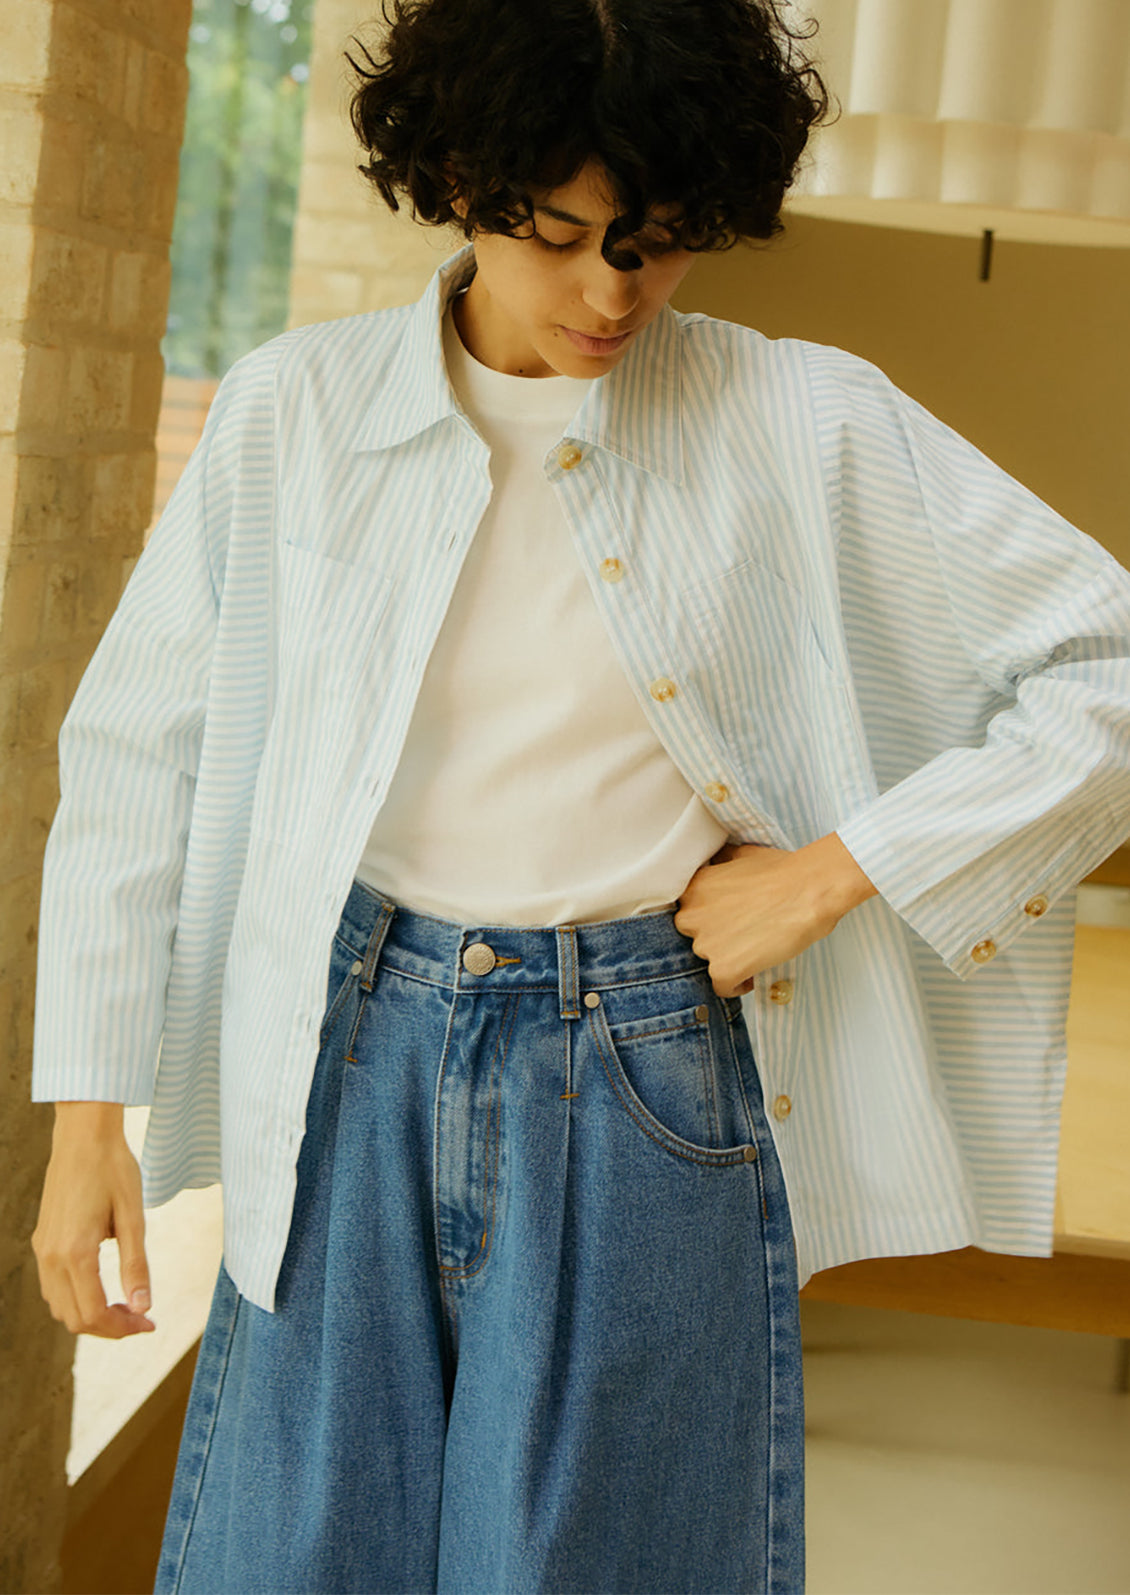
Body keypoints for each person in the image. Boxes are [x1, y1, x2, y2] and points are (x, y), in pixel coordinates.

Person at [29, 0, 1130, 1591]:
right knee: (295, 1555)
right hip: (339, 1052)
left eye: (663, 243)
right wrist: (85, 1127)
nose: (614, 291)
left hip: (641, 1070)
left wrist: (838, 869)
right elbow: (141, 752)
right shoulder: (297, 409)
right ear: (462, 180)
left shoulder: (794, 415)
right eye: (564, 237)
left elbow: (1104, 658)